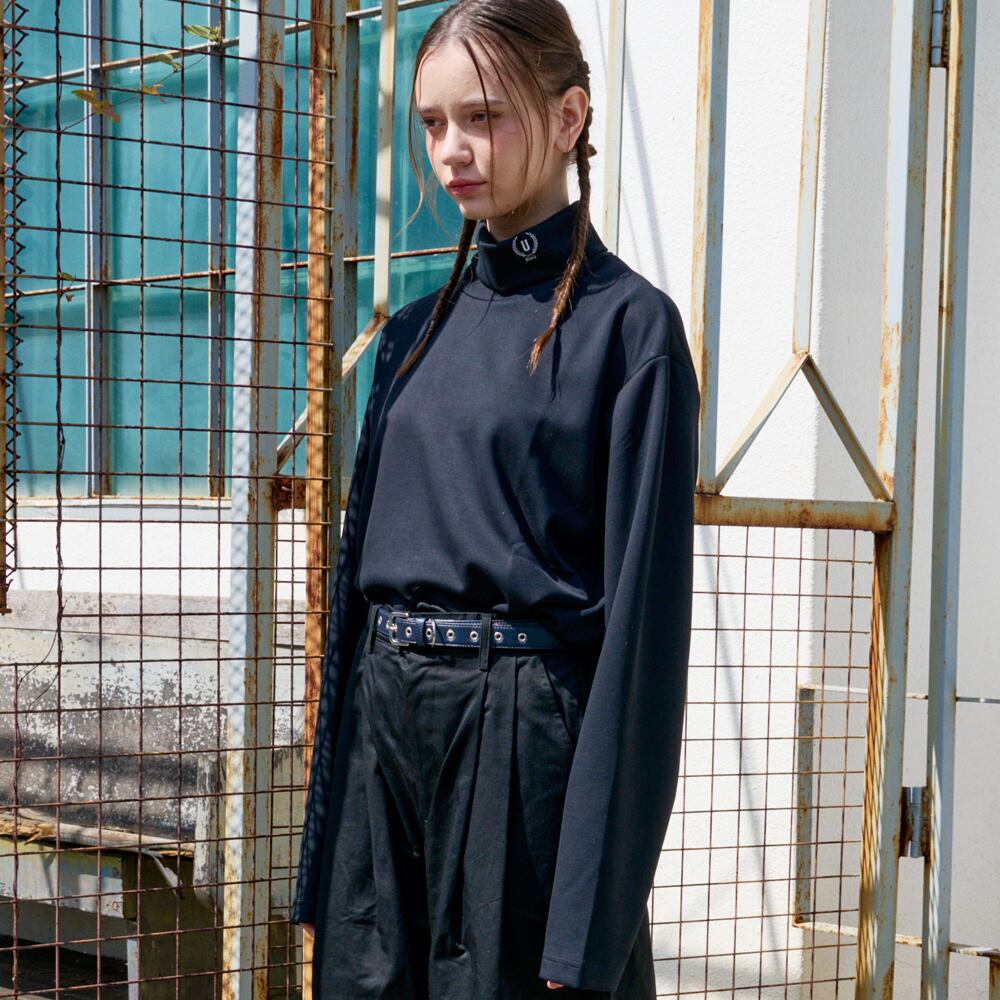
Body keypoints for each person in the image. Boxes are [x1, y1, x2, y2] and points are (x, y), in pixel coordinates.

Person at [291, 1, 700, 997]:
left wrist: (585, 926)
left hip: (521, 747)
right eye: (432, 123)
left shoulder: (628, 331)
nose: (451, 151)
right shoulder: (408, 336)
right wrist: (326, 853)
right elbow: (352, 601)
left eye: (482, 117)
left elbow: (641, 645)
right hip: (385, 740)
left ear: (568, 117)